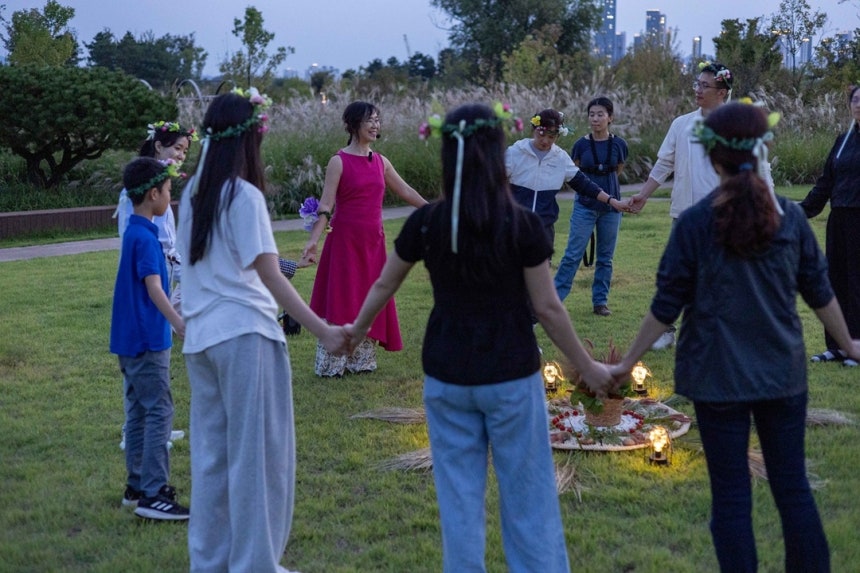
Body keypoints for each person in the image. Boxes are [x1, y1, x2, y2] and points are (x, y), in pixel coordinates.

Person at [346, 103, 614, 572]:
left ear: (449, 154)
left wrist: (353, 331)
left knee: (460, 506)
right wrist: (587, 367)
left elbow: (385, 285)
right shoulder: (521, 225)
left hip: (448, 379)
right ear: (497, 155)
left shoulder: (427, 222)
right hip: (510, 379)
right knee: (528, 498)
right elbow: (548, 308)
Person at [610, 102, 860, 573]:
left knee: (730, 497)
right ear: (762, 149)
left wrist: (625, 364)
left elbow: (666, 307)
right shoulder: (790, 218)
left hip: (715, 376)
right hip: (781, 374)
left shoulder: (695, 224)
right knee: (792, 490)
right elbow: (821, 292)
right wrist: (848, 343)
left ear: (711, 156)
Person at [177, 88, 348, 572]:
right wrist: (324, 331)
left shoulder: (192, 194)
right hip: (245, 337)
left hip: (202, 341)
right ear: (251, 136)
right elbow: (272, 275)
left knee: (212, 460)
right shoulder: (243, 195)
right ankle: (255, 564)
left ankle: (210, 563)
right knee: (258, 459)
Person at [628, 61, 773, 349]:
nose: (698, 90)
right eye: (697, 84)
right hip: (684, 214)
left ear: (722, 92)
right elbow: (664, 163)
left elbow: (760, 168)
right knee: (675, 273)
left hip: (725, 215)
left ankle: (719, 332)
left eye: (705, 86)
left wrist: (767, 208)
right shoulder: (682, 124)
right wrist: (643, 194)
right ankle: (666, 330)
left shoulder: (737, 126)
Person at [302, 101, 428, 377]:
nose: (375, 125)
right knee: (343, 297)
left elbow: (405, 190)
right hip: (345, 242)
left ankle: (361, 361)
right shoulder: (338, 161)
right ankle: (333, 363)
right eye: (369, 120)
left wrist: (432, 210)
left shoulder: (381, 161)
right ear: (353, 124)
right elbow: (326, 205)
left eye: (378, 120)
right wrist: (314, 240)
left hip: (373, 242)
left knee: (368, 298)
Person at [110, 156, 189, 521]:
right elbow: (154, 287)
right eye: (169, 191)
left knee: (139, 412)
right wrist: (177, 321)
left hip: (129, 341)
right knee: (159, 410)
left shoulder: (135, 232)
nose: (170, 199)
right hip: (147, 341)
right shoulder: (145, 237)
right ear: (153, 193)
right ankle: (155, 493)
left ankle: (136, 487)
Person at [115, 121, 197, 452]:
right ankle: (135, 430)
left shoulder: (160, 187)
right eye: (176, 148)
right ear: (158, 147)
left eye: (185, 151)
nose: (180, 155)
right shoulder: (137, 198)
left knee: (153, 359)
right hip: (148, 271)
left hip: (163, 267)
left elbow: (168, 235)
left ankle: (155, 426)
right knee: (144, 358)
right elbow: (132, 237)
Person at [506, 108, 622, 256]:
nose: (545, 141)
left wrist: (612, 201)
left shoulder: (560, 158)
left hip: (544, 229)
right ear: (533, 129)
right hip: (513, 226)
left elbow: (584, 185)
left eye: (551, 136)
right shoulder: (515, 152)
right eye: (541, 134)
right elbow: (493, 183)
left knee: (539, 276)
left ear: (558, 136)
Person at [800, 84, 860, 367]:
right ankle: (836, 346)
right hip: (839, 219)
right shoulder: (842, 140)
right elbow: (826, 182)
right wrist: (801, 211)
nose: (859, 105)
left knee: (857, 284)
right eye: (856, 100)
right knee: (835, 281)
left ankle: (857, 348)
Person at [553, 97, 629, 316]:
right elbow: (573, 174)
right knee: (572, 254)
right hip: (585, 206)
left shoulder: (619, 145)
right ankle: (555, 301)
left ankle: (600, 302)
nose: (595, 119)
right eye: (592, 114)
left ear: (610, 117)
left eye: (600, 114)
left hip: (612, 208)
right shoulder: (580, 145)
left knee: (606, 258)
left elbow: (618, 169)